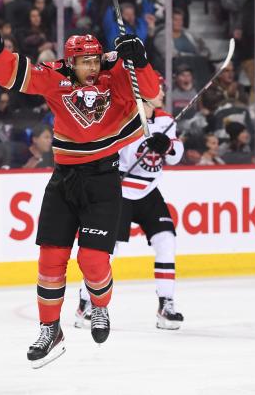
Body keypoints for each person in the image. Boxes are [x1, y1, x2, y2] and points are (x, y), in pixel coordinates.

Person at [0, 20, 161, 368]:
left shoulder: (114, 74)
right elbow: (14, 74)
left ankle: (100, 308)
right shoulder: (56, 78)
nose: (91, 66)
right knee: (50, 259)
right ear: (69, 63)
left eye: (94, 59)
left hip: (103, 179)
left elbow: (149, 91)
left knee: (92, 260)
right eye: (83, 61)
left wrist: (141, 59)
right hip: (64, 179)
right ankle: (49, 329)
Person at [74, 85, 185, 330]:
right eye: (159, 89)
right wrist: (142, 142)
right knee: (106, 251)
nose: (164, 94)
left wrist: (166, 145)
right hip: (121, 190)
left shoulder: (165, 119)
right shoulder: (124, 114)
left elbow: (177, 154)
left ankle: (166, 305)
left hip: (148, 191)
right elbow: (115, 149)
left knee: (166, 241)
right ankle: (86, 305)